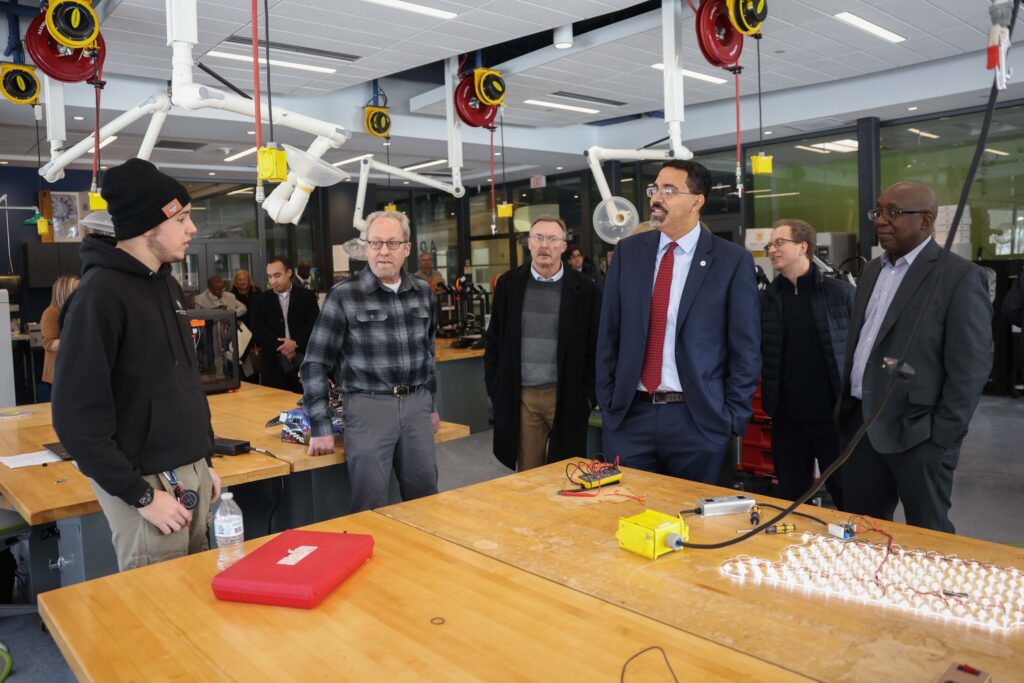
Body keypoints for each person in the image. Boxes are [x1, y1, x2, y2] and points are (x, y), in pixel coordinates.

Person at [51, 158, 220, 571]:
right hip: (148, 487)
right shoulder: (98, 298)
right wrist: (141, 496)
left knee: (197, 600)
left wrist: (204, 462)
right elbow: (75, 421)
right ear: (148, 226)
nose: (191, 229)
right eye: (182, 218)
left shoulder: (168, 284)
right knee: (160, 614)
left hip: (190, 473)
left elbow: (181, 383)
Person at [836, 182, 992, 533]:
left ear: (926, 220)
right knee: (865, 534)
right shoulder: (873, 271)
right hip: (860, 428)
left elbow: (970, 367)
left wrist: (942, 438)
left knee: (929, 537)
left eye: (894, 213)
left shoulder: (959, 277)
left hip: (918, 435)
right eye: (878, 212)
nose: (881, 221)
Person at [597, 159, 761, 484]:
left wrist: (731, 417)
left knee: (696, 527)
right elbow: (609, 335)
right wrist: (610, 402)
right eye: (655, 189)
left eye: (669, 191)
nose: (657, 198)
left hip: (698, 420)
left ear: (697, 201)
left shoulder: (730, 260)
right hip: (632, 418)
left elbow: (746, 349)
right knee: (627, 517)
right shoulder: (629, 253)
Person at [302, 210, 440, 512]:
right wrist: (320, 424)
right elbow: (314, 364)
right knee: (371, 506)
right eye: (376, 243)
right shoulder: (344, 296)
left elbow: (427, 351)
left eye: (392, 243)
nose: (384, 251)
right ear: (366, 249)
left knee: (427, 500)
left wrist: (430, 405)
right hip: (368, 408)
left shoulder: (423, 292)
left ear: (407, 248)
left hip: (417, 407)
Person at [485, 217, 601, 472]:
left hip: (567, 395)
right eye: (538, 238)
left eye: (552, 239)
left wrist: (588, 396)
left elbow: (595, 348)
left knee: (567, 473)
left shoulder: (585, 289)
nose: (544, 245)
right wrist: (496, 387)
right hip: (524, 397)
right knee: (530, 476)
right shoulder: (509, 284)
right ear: (529, 243)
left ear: (563, 246)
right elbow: (494, 342)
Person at [760, 219, 854, 508]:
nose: (772, 250)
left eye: (779, 243)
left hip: (832, 420)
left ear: (803, 246)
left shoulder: (840, 294)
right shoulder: (766, 300)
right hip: (787, 421)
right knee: (790, 501)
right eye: (769, 245)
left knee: (848, 496)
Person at [249, 257, 320, 393]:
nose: (273, 281)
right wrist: (282, 347)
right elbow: (257, 328)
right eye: (269, 276)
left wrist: (295, 343)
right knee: (273, 406)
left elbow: (315, 324)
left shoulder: (307, 296)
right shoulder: (260, 300)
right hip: (273, 362)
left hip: (302, 359)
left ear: (289, 272)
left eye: (277, 275)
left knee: (303, 402)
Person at [40, 275, 79, 385]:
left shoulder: (74, 311)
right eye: (76, 290)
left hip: (72, 370)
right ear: (65, 292)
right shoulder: (51, 313)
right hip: (58, 374)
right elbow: (49, 344)